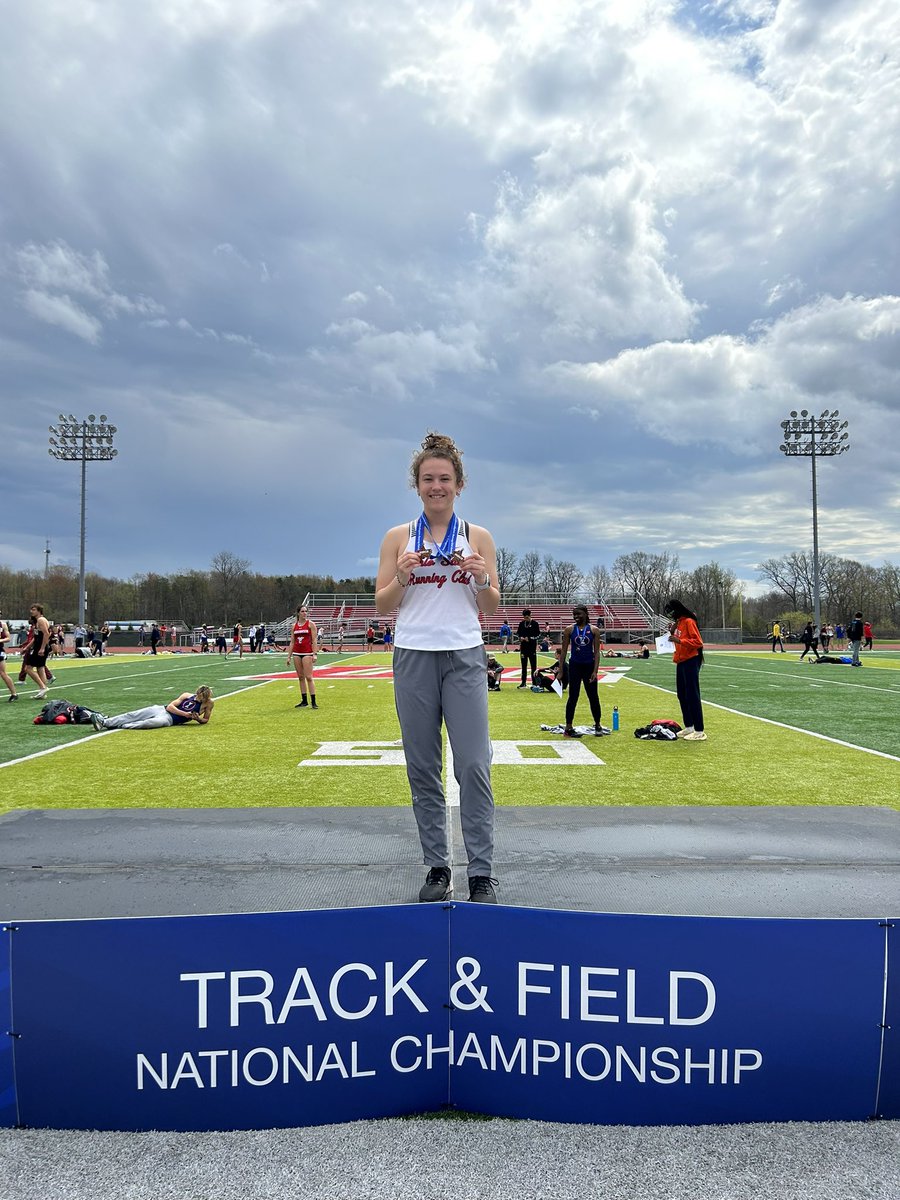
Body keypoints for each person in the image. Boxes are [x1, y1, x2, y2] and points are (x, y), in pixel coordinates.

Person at [375, 431, 500, 905]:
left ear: (459, 484)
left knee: (472, 764)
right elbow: (383, 604)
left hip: (464, 653)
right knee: (423, 767)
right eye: (428, 479)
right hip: (413, 655)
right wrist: (403, 576)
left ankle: (481, 872)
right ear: (417, 485)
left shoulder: (478, 536)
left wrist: (482, 577)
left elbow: (490, 604)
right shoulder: (396, 537)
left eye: (444, 478)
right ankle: (437, 867)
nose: (436, 486)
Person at [665, 598, 706, 740]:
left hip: (690, 660)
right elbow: (676, 637)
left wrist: (680, 641)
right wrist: (673, 631)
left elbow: (698, 642)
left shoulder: (689, 621)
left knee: (692, 695)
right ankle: (689, 726)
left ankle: (699, 730)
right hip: (681, 660)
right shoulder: (680, 623)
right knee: (682, 694)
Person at [559, 605, 604, 737]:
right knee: (573, 696)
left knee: (593, 697)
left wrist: (595, 671)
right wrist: (561, 670)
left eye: (579, 614)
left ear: (585, 614)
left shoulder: (594, 630)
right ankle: (568, 726)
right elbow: (563, 652)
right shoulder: (569, 630)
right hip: (575, 666)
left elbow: (596, 652)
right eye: (574, 615)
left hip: (589, 666)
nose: (576, 617)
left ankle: (597, 724)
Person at [92, 686, 213, 731]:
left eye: (201, 698)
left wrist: (198, 719)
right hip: (162, 710)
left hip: (170, 720)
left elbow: (205, 720)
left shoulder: (209, 704)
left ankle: (119, 725)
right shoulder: (187, 695)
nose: (198, 698)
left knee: (148, 723)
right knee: (134, 714)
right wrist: (185, 715)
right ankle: (104, 722)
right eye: (197, 696)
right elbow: (171, 706)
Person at [287, 605, 319, 708]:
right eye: (302, 611)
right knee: (300, 677)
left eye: (306, 611)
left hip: (307, 653)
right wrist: (288, 656)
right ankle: (304, 700)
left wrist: (314, 654)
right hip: (297, 653)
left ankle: (313, 701)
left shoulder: (311, 624)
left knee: (309, 677)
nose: (304, 613)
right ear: (298, 613)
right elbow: (292, 642)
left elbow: (314, 640)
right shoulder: (294, 626)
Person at [22, 603, 52, 698]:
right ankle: (42, 692)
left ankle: (43, 687)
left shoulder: (41, 620)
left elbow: (46, 634)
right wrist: (27, 647)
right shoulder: (37, 621)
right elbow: (36, 637)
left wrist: (42, 648)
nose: (31, 611)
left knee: (28, 668)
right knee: (40, 668)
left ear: (39, 611)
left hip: (40, 647)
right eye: (31, 609)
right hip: (38, 646)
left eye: (34, 609)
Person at [516, 608, 540, 688]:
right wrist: (521, 638)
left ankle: (534, 682)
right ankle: (523, 682)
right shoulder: (521, 623)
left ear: (530, 616)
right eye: (524, 617)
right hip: (523, 648)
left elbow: (538, 635)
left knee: (533, 666)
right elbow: (518, 634)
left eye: (527, 617)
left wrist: (529, 638)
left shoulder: (535, 624)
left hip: (532, 648)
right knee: (523, 666)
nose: (525, 619)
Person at [0, 608, 18, 701]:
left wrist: (0, 640)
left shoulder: (3, 625)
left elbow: (8, 638)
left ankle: (14, 693)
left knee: (3, 673)